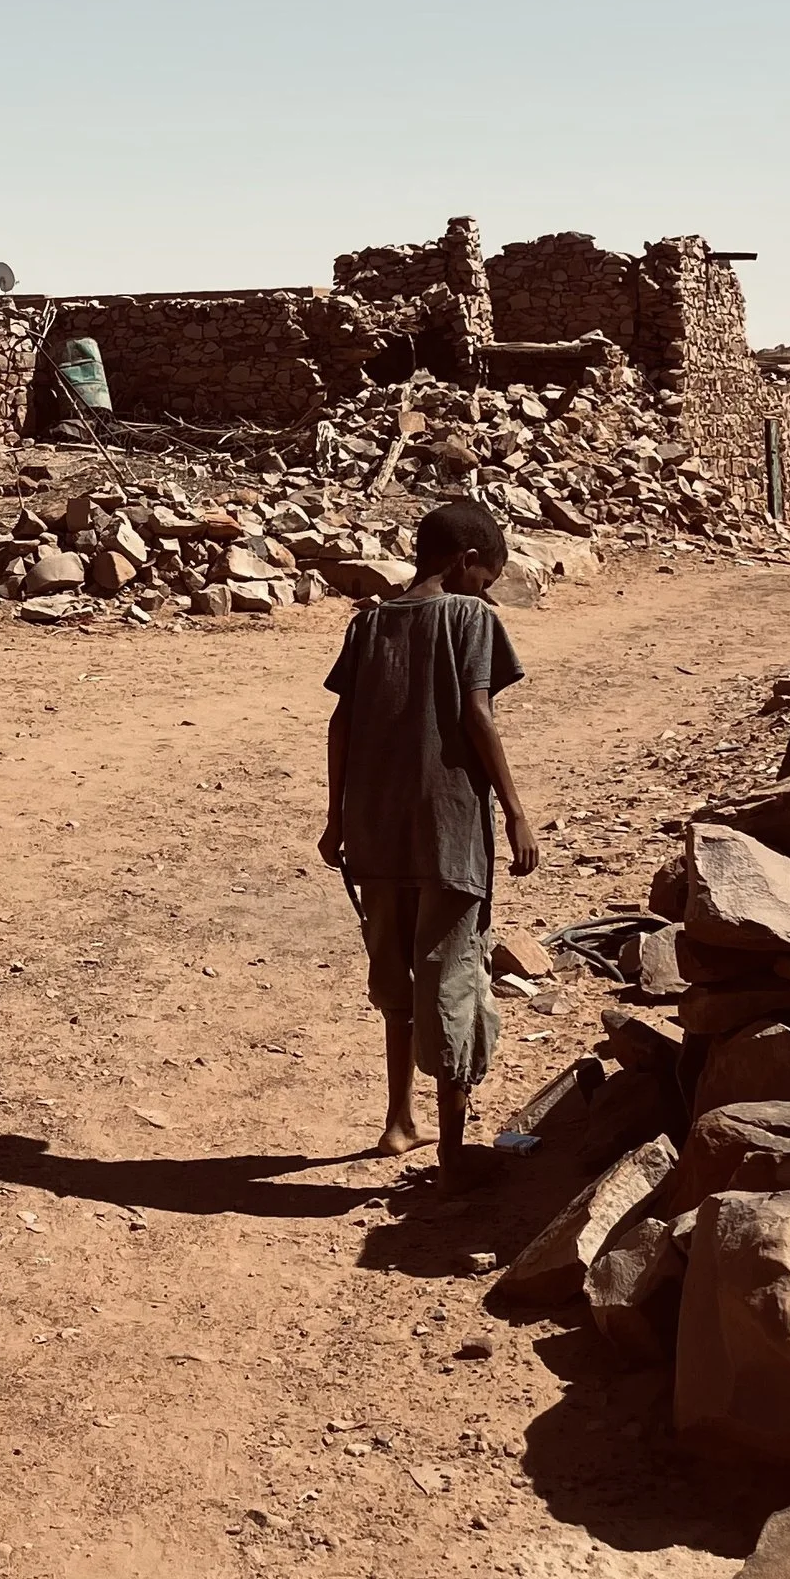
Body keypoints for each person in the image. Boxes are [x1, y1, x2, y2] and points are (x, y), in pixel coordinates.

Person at [317, 495, 541, 1183]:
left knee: (396, 978)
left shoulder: (372, 623)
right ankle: (450, 1151)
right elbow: (477, 713)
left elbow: (341, 726)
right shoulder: (470, 618)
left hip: (374, 832)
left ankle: (397, 1121)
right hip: (446, 833)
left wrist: (334, 817)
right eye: (488, 576)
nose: (489, 591)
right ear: (466, 561)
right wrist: (514, 809)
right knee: (451, 980)